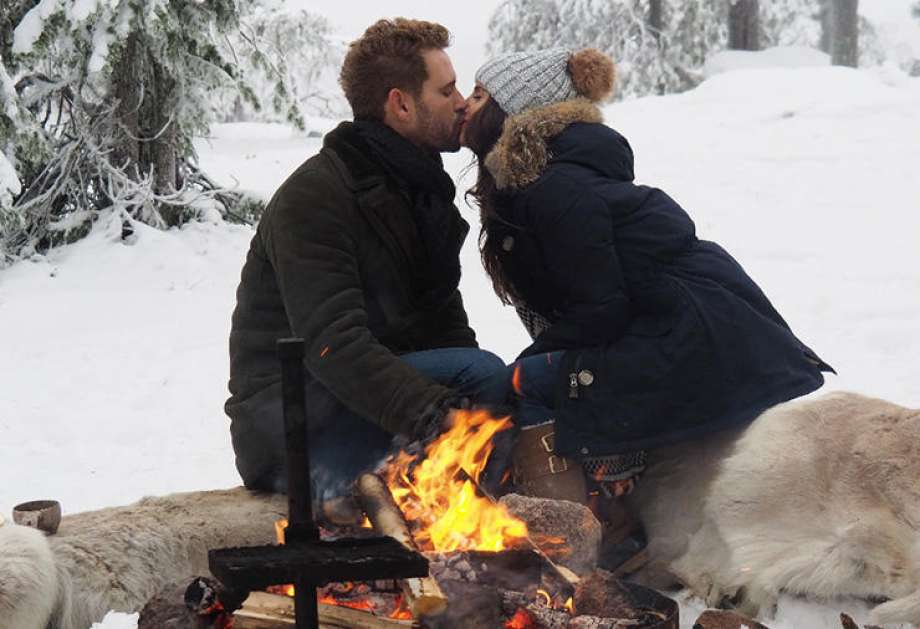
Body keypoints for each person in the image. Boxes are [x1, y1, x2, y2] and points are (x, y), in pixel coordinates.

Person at [460, 48, 834, 572]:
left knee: (528, 383)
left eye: (479, 96)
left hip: (691, 334)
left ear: (514, 112)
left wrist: (527, 368)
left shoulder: (556, 189)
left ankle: (573, 555)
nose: (464, 107)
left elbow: (600, 311)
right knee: (539, 375)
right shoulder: (546, 179)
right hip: (683, 326)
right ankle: (604, 521)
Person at [224, 19, 507, 515]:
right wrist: (440, 414)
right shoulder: (316, 197)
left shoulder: (418, 191)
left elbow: (444, 325)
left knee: (495, 381)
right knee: (477, 376)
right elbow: (333, 344)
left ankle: (490, 534)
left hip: (358, 410)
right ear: (400, 104)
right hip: (292, 435)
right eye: (446, 90)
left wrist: (480, 411)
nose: (462, 101)